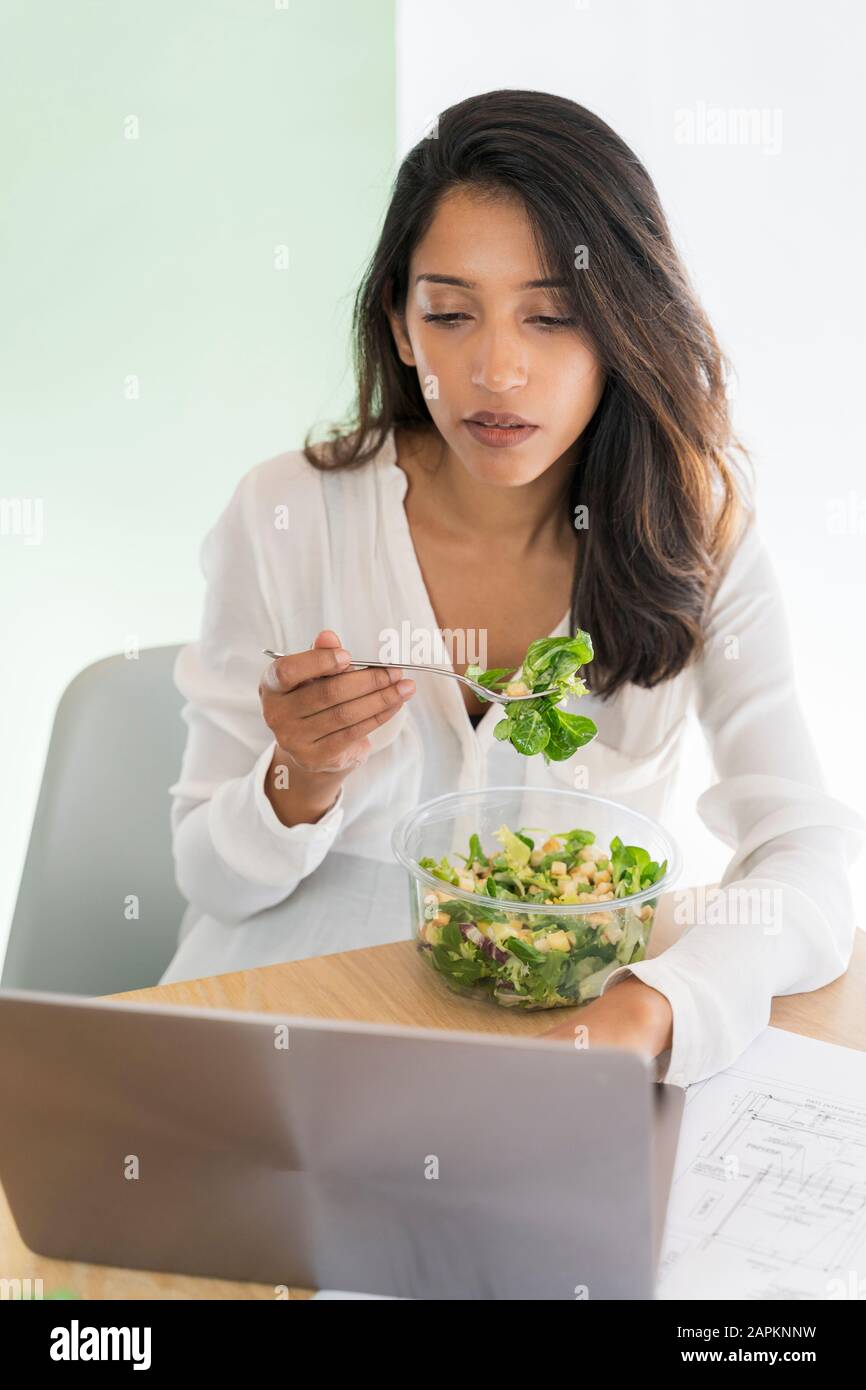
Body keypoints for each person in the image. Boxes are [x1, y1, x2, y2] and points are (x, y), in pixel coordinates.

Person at [158, 89, 864, 1087]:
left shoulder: (696, 537)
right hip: (271, 1037)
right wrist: (297, 778)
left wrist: (653, 1003)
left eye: (552, 317)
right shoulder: (285, 515)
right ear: (401, 329)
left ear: (622, 324)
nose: (494, 370)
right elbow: (207, 880)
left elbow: (803, 864)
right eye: (449, 314)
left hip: (551, 1061)